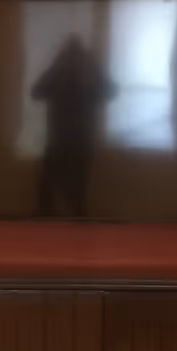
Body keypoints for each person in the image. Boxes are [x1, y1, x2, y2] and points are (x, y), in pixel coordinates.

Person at [32, 35, 112, 218]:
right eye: (70, 54)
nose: (74, 60)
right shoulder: (60, 75)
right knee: (48, 196)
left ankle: (74, 234)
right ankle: (48, 229)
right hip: (61, 142)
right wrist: (57, 67)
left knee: (76, 196)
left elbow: (111, 91)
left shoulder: (89, 76)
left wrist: (92, 67)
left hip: (77, 143)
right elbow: (35, 92)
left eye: (76, 55)